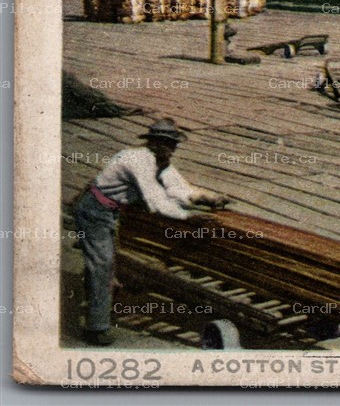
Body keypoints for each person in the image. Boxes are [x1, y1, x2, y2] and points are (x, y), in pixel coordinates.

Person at [71, 119, 228, 345]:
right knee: (102, 266)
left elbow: (176, 187)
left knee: (107, 265)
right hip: (94, 211)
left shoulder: (160, 162)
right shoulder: (138, 161)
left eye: (173, 144)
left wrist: (205, 196)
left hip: (113, 211)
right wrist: (190, 218)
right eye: (167, 143)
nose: (172, 148)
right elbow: (156, 201)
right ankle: (96, 328)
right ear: (153, 143)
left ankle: (102, 299)